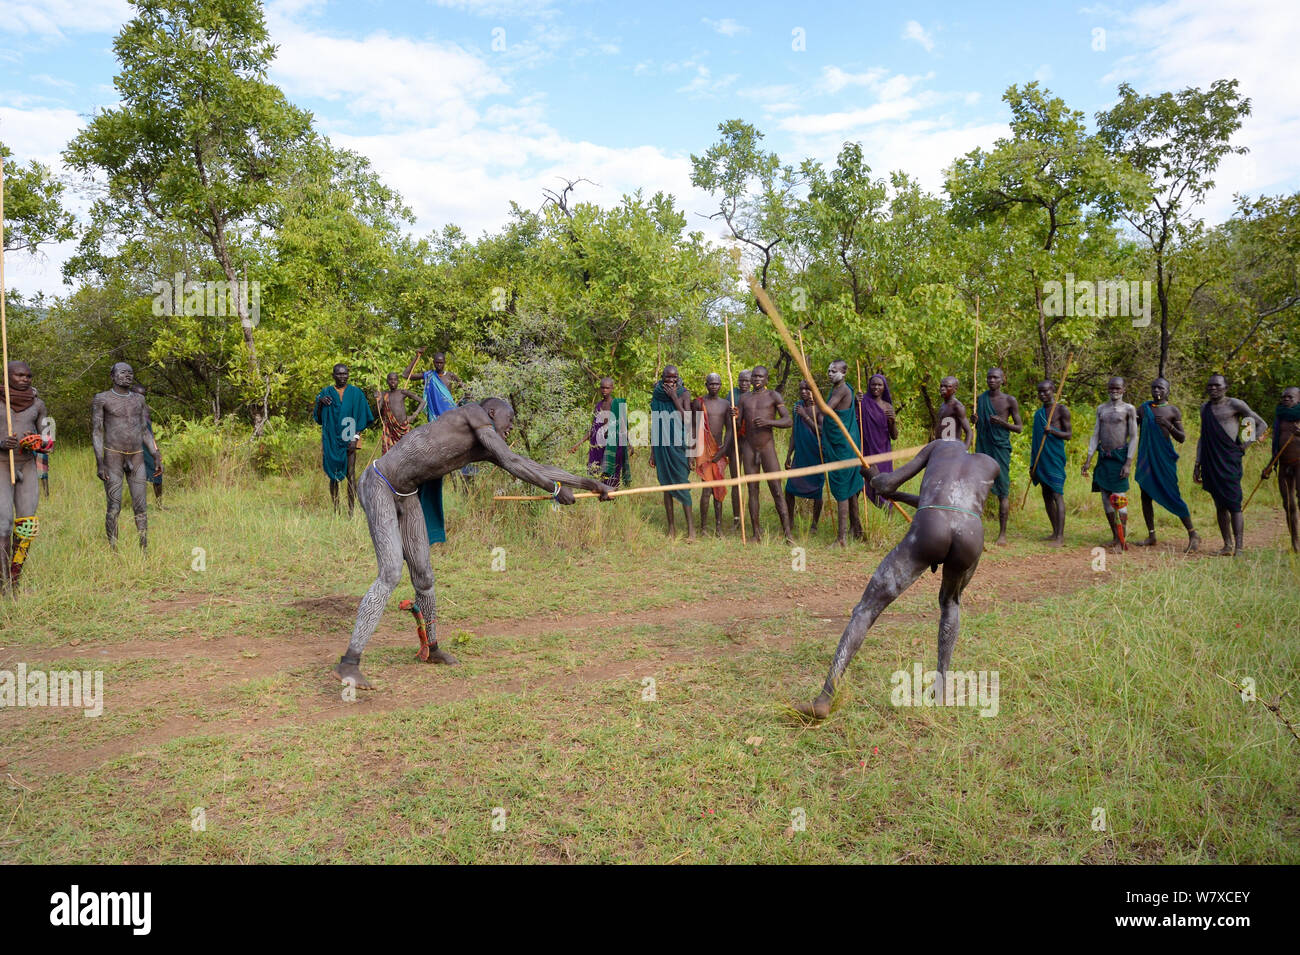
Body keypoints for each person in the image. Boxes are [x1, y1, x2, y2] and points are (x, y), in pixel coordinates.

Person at [333, 398, 612, 690]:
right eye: (509, 418)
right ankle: (349, 662)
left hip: (407, 494)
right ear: (492, 412)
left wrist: (588, 484)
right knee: (390, 572)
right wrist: (554, 489)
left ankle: (432, 647)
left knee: (424, 577)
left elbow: (528, 463)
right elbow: (513, 462)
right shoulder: (473, 414)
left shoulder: (485, 445)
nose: (511, 425)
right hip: (378, 483)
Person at [793, 441, 1001, 720]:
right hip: (971, 532)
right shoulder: (990, 463)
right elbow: (950, 501)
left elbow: (888, 483)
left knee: (866, 610)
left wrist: (875, 479)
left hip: (932, 524)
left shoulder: (939, 446)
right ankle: (941, 687)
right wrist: (901, 497)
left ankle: (825, 697)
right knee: (951, 602)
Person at [1194, 374, 1269, 556]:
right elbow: (1203, 437)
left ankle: (1239, 548)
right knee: (1219, 504)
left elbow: (1261, 424)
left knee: (1234, 504)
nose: (1213, 389)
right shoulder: (1205, 408)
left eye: (1217, 386)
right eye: (1210, 386)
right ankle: (1227, 545)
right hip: (1210, 461)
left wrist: (1245, 444)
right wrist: (1197, 463)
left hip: (1229, 459)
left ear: (1226, 387)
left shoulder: (1235, 404)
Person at [91, 362, 160, 550]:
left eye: (130, 373)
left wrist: (155, 454)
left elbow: (145, 430)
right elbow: (97, 432)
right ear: (112, 376)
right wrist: (100, 463)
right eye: (123, 373)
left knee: (141, 506)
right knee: (114, 506)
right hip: (113, 456)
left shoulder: (139, 399)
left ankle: (144, 547)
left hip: (137, 456)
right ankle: (113, 549)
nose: (127, 376)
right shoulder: (102, 399)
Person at [1, 361, 54, 590]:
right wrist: (2, 442)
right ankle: (2, 581)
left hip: (27, 464)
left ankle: (14, 577)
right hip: (2, 464)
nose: (25, 379)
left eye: (28, 376)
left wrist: (39, 442)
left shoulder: (38, 404)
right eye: (19, 375)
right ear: (8, 375)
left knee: (27, 525)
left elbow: (48, 438)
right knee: (3, 525)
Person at [1133, 378, 1199, 552]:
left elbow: (1182, 438)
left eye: (1160, 388)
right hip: (1147, 458)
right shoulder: (1143, 408)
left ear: (1168, 390)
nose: (1156, 391)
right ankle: (1151, 535)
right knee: (1145, 495)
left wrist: (1168, 425)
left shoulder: (1172, 411)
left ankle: (1193, 533)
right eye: (1154, 388)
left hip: (1164, 460)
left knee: (1172, 494)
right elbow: (1133, 428)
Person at [737, 365, 793, 543]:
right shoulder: (744, 398)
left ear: (767, 379)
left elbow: (788, 420)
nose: (757, 379)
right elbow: (738, 426)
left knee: (776, 490)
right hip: (749, 447)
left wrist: (769, 422)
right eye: (754, 376)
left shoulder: (773, 396)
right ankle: (755, 533)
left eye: (761, 377)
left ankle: (788, 534)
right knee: (753, 490)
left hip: (767, 447)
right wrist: (734, 416)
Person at [1081, 377, 1138, 551]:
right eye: (1111, 388)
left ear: (1123, 389)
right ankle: (1115, 537)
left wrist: (1128, 463)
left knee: (1119, 499)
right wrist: (1088, 460)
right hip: (1103, 457)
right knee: (1106, 498)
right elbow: (1095, 434)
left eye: (1118, 388)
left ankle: (1122, 541)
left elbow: (1134, 436)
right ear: (1107, 389)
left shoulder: (1129, 409)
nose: (1114, 391)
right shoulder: (1101, 409)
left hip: (1120, 457)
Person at [313, 364, 375, 517]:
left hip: (349, 434)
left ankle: (351, 511)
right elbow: (319, 419)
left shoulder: (356, 393)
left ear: (348, 374)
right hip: (332, 438)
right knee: (333, 475)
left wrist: (355, 437)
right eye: (339, 374)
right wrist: (320, 403)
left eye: (345, 374)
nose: (342, 377)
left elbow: (362, 415)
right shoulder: (326, 392)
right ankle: (336, 510)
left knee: (350, 474)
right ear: (333, 375)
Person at [974, 367, 1022, 545]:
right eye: (989, 377)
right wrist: (976, 421)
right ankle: (976, 530)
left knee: (1003, 490)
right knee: (980, 488)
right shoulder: (981, 399)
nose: (991, 380)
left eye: (995, 377)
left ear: (1003, 379)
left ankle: (1002, 534)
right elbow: (980, 425)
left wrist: (1002, 422)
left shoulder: (1010, 400)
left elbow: (1019, 428)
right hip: (984, 446)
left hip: (1000, 448)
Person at [650, 365, 695, 540]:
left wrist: (674, 398)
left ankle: (691, 530)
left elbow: (687, 418)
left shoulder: (684, 393)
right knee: (666, 486)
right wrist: (653, 452)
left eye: (674, 377)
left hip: (678, 444)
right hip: (661, 445)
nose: (670, 381)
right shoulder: (657, 394)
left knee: (682, 484)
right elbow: (655, 423)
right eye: (667, 378)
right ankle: (671, 529)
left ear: (678, 377)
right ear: (662, 377)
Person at [823, 360, 865, 546]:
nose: (830, 373)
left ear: (844, 373)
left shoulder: (842, 389)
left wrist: (813, 395)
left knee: (842, 490)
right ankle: (857, 531)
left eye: (834, 371)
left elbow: (827, 409)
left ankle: (842, 538)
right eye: (829, 370)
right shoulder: (840, 388)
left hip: (844, 447)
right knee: (849, 489)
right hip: (843, 445)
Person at [1029, 380, 1071, 545]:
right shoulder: (1038, 414)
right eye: (1040, 392)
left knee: (1056, 494)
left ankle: (1060, 537)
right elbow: (1035, 441)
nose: (1043, 395)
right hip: (1041, 459)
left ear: (1053, 390)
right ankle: (1054, 532)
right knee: (1046, 495)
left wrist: (1052, 431)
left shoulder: (1061, 410)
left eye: (1046, 391)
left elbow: (1068, 434)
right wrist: (1033, 464)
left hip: (1054, 457)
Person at [784, 380, 824, 533]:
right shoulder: (797, 406)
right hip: (800, 453)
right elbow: (794, 432)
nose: (803, 392)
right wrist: (789, 454)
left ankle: (814, 524)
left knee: (817, 490)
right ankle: (791, 520)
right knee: (790, 488)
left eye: (807, 389)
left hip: (816, 453)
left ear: (813, 390)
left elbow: (821, 431)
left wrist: (806, 417)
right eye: (801, 389)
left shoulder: (820, 408)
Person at [1263, 386, 1300, 552]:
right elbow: (1276, 445)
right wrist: (1270, 466)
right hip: (1284, 465)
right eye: (1283, 397)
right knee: (1288, 504)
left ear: (1298, 399)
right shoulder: (1280, 416)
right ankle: (1295, 544)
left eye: (1290, 397)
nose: (1285, 399)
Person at [692, 374, 729, 535]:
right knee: (706, 490)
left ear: (721, 385)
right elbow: (692, 428)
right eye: (711, 384)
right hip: (704, 452)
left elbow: (729, 430)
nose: (714, 386)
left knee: (718, 489)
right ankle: (704, 527)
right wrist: (691, 454)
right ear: (706, 385)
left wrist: (723, 449)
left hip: (719, 450)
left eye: (717, 384)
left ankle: (719, 527)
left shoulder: (726, 404)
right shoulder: (700, 403)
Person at [860, 374, 897, 510]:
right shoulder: (862, 402)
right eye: (873, 384)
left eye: (879, 385)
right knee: (866, 481)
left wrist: (892, 421)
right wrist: (855, 402)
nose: (876, 387)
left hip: (884, 451)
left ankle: (888, 511)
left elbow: (894, 436)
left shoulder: (888, 407)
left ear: (884, 387)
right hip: (867, 449)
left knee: (884, 484)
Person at [587, 377, 630, 488]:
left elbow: (624, 427)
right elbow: (593, 428)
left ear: (612, 388)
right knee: (599, 472)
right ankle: (602, 495)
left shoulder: (617, 405)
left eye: (607, 388)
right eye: (602, 388)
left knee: (613, 472)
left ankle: (613, 496)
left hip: (614, 445)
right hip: (600, 445)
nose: (604, 390)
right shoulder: (598, 406)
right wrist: (577, 444)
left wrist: (629, 443)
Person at [131, 383, 165, 507]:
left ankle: (159, 504)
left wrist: (156, 449)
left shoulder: (145, 408)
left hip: (147, 445)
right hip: (133, 446)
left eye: (143, 395)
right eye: (138, 395)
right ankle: (139, 505)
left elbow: (149, 432)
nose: (140, 398)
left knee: (157, 471)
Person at [377, 372, 421, 453]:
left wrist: (414, 415)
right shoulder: (384, 394)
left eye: (395, 380)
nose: (393, 382)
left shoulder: (402, 392)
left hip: (403, 428)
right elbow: (378, 410)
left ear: (398, 381)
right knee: (389, 454)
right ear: (387, 381)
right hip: (390, 431)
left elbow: (422, 402)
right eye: (390, 380)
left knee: (406, 452)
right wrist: (378, 398)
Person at [933, 376, 973, 447]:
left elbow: (969, 432)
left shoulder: (957, 406)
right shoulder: (943, 405)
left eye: (947, 386)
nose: (942, 389)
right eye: (941, 386)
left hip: (952, 448)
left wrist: (964, 450)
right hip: (940, 446)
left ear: (955, 389)